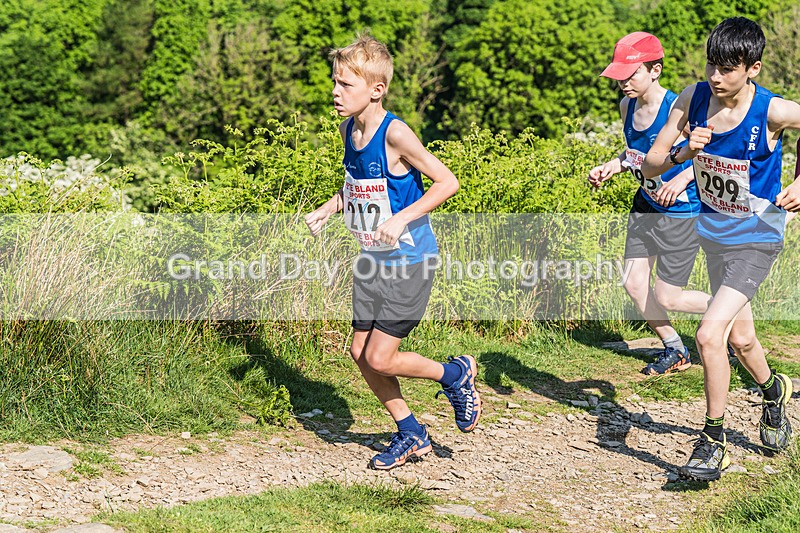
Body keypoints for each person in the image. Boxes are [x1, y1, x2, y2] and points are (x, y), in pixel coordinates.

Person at [304, 33, 481, 470]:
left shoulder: (396, 133)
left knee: (381, 357)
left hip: (410, 262)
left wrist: (402, 219)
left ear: (376, 90)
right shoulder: (349, 129)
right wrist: (330, 207)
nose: (335, 91)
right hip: (371, 260)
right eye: (335, 81)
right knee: (359, 354)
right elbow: (359, 185)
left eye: (345, 84)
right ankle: (412, 433)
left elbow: (448, 182)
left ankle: (455, 374)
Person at [642, 17, 800, 481]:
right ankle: (774, 393)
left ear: (752, 68)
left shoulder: (773, 111)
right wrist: (682, 154)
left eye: (728, 68)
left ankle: (713, 441)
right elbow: (652, 166)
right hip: (715, 235)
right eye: (712, 64)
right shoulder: (693, 99)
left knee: (710, 335)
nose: (716, 76)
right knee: (740, 338)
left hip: (758, 236)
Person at [589, 32, 710, 375]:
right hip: (645, 205)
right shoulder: (627, 106)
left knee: (669, 294)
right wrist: (614, 165)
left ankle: (730, 309)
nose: (623, 84)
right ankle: (675, 348)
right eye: (618, 77)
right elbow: (636, 153)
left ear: (655, 71)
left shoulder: (678, 110)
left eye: (631, 75)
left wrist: (682, 178)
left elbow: (710, 156)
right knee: (633, 282)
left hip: (680, 212)